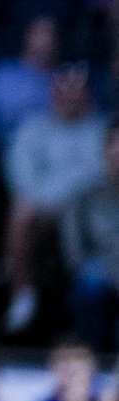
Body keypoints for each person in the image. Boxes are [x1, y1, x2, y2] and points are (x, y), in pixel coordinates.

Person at [3, 63, 105, 332]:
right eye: (64, 90)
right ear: (53, 93)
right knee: (21, 211)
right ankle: (22, 294)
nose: (70, 97)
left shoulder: (101, 131)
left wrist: (72, 199)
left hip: (89, 207)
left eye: (77, 90)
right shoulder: (32, 128)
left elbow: (103, 175)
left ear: (87, 94)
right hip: (45, 208)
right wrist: (51, 202)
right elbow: (20, 177)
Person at [62, 120, 119, 350]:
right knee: (89, 290)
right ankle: (91, 364)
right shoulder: (84, 195)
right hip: (99, 277)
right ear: (106, 150)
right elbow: (72, 251)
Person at [0, 16, 59, 147]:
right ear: (27, 35)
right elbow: (5, 119)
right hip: (12, 145)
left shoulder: (60, 78)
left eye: (51, 33)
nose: (47, 40)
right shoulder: (4, 73)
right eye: (42, 32)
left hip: (53, 146)